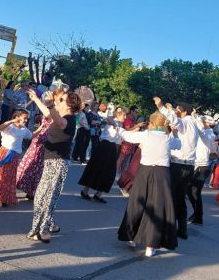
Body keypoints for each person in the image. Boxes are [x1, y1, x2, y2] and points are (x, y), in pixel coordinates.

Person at [114, 112, 181, 258]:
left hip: (144, 171)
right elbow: (179, 145)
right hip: (162, 173)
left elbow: (126, 135)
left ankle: (131, 237)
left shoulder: (145, 135)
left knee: (137, 203)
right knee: (157, 207)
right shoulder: (167, 138)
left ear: (151, 122)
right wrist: (174, 133)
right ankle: (151, 246)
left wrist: (115, 126)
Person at [27, 88, 81, 243]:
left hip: (58, 162)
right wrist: (37, 99)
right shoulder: (60, 114)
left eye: (62, 99)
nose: (58, 100)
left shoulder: (69, 119)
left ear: (69, 105)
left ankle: (42, 230)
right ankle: (42, 226)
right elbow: (49, 114)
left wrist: (51, 106)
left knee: (48, 197)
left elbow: (60, 122)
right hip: (50, 160)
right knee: (41, 195)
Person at [154, 96, 209, 240]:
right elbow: (207, 137)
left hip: (177, 164)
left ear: (182, 111)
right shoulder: (196, 124)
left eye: (178, 109)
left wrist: (161, 107)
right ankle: (182, 228)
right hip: (189, 166)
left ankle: (167, 228)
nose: (176, 111)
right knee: (180, 198)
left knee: (168, 196)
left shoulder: (185, 122)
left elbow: (174, 120)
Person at [79, 107, 135, 203]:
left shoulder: (120, 124)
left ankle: (98, 194)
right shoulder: (113, 121)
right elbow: (108, 120)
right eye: (123, 115)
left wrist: (135, 127)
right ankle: (85, 191)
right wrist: (113, 123)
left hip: (114, 148)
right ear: (118, 114)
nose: (125, 117)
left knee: (108, 172)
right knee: (96, 168)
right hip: (106, 146)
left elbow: (124, 134)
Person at [0, 109, 34, 207]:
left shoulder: (24, 129)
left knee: (9, 176)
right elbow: (0, 127)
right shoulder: (9, 126)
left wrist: (42, 128)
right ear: (17, 117)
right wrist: (11, 121)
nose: (26, 120)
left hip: (14, 155)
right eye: (24, 118)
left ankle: (4, 196)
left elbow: (31, 136)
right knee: (1, 173)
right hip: (4, 153)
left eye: (27, 118)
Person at [16, 111, 53, 201]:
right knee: (28, 166)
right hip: (38, 141)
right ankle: (14, 188)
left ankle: (31, 192)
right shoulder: (47, 111)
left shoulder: (57, 113)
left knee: (37, 169)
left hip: (44, 144)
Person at [187, 115, 216, 225]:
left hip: (202, 166)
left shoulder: (210, 134)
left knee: (195, 192)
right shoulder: (204, 132)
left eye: (203, 122)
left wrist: (197, 120)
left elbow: (202, 133)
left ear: (207, 124)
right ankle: (196, 213)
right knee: (190, 191)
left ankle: (199, 216)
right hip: (196, 164)